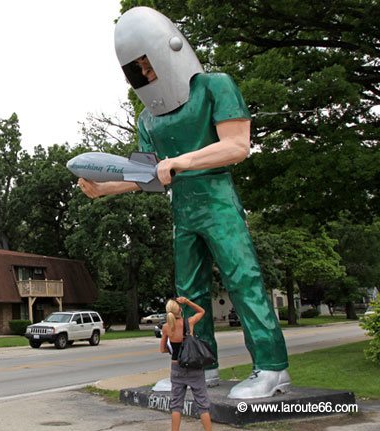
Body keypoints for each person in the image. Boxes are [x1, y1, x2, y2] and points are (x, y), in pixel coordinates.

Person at [79, 6, 290, 399]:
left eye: (148, 63)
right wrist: (105, 189)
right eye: (136, 69)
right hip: (184, 210)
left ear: (169, 50)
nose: (145, 73)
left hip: (219, 202)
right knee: (187, 294)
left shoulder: (215, 86)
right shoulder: (148, 119)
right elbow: (149, 176)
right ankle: (199, 364)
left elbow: (237, 146)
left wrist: (180, 161)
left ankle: (272, 367)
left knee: (243, 280)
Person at [161, 297, 212, 431]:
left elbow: (162, 349)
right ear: (180, 310)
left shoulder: (166, 327)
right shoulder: (189, 323)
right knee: (202, 404)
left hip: (176, 367)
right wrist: (188, 302)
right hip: (193, 365)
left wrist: (173, 349)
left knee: (176, 405)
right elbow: (201, 311)